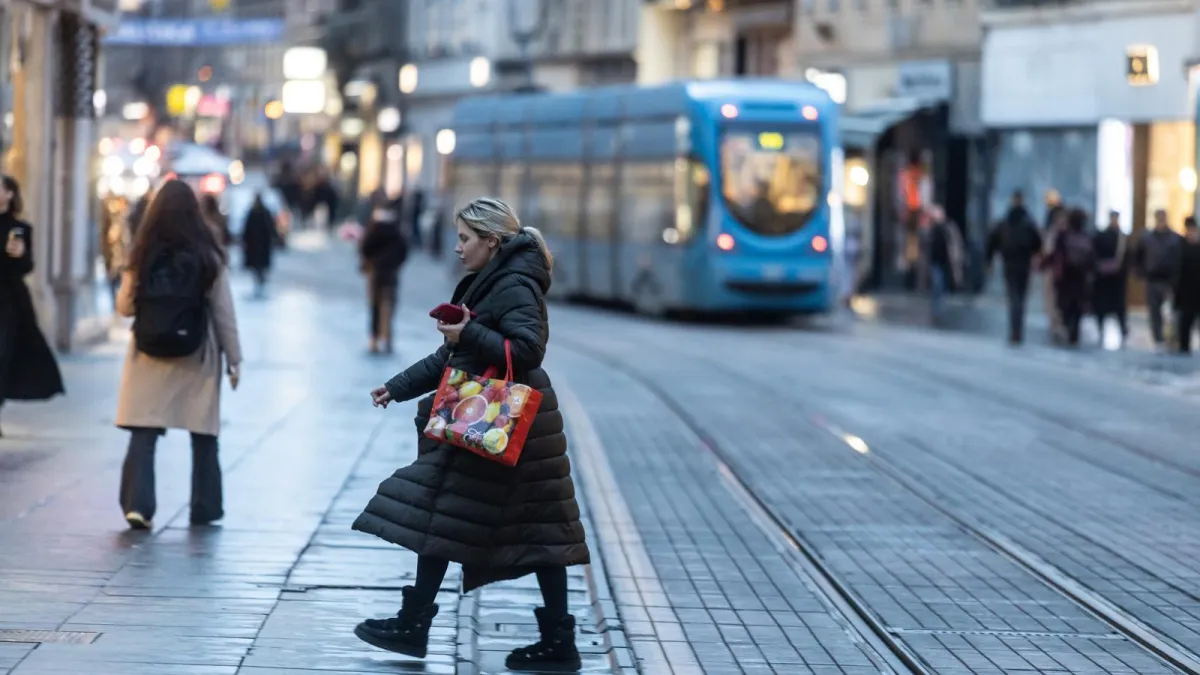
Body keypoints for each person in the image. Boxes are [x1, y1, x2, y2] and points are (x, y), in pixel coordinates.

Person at [352, 197, 589, 672]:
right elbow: (451, 356)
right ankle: (551, 642)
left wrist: (468, 335)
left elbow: (527, 350)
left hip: (507, 420)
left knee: (449, 515)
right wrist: (396, 387)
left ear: (492, 242)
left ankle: (415, 623)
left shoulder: (514, 285)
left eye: (465, 238)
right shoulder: (492, 282)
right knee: (521, 530)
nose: (457, 247)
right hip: (497, 418)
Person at [113, 179, 242, 530]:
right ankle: (205, 507)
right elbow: (223, 312)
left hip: (149, 355)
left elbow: (124, 307)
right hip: (196, 355)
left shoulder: (142, 254)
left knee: (144, 430)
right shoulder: (208, 255)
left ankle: (137, 505)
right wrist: (234, 359)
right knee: (203, 435)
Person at [0, 175, 65, 436]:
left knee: (4, 354)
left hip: (10, 300)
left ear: (10, 195)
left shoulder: (20, 228)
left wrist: (19, 255)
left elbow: (28, 266)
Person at [986, 191, 1044, 345]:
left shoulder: (1006, 222)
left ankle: (1014, 330)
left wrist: (989, 260)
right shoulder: (1028, 223)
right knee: (1020, 298)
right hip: (1023, 263)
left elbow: (993, 242)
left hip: (1010, 263)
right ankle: (1017, 331)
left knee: (1013, 297)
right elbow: (1038, 244)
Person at [359, 191, 409, 354]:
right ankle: (387, 337)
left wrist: (369, 261)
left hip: (375, 271)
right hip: (391, 272)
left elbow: (365, 248)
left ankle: (374, 338)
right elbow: (404, 250)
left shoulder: (373, 227)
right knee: (389, 304)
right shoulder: (397, 229)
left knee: (374, 305)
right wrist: (396, 263)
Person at [1134, 209, 1183, 350]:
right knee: (1154, 310)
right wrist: (1140, 273)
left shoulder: (1175, 239)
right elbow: (1138, 257)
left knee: (1171, 312)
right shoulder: (1147, 238)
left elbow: (1179, 260)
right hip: (1152, 279)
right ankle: (1158, 338)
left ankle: (1171, 337)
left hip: (1169, 280)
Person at [1049, 208, 1095, 346]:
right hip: (1080, 277)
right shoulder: (1086, 237)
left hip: (1065, 277)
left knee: (1065, 306)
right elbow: (1092, 259)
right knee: (1077, 307)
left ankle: (1068, 328)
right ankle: (1074, 333)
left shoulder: (1063, 236)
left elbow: (1056, 255)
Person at [1092, 210, 1129, 345]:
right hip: (1106, 278)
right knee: (1105, 305)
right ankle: (1103, 328)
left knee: (1118, 306)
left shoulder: (1120, 237)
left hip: (1114, 278)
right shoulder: (1103, 236)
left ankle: (1121, 328)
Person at [925, 204, 964, 323]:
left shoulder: (947, 229)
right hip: (936, 262)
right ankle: (936, 310)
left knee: (940, 287)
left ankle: (938, 309)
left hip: (944, 262)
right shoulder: (932, 229)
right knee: (937, 286)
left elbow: (955, 245)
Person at [242, 194, 276, 298]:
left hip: (257, 246)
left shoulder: (254, 212)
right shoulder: (261, 213)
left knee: (258, 268)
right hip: (260, 246)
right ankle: (260, 284)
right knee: (259, 268)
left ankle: (260, 284)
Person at [1174, 216, 1200, 354]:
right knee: (1185, 321)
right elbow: (1176, 268)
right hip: (1184, 291)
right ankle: (1184, 347)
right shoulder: (1180, 247)